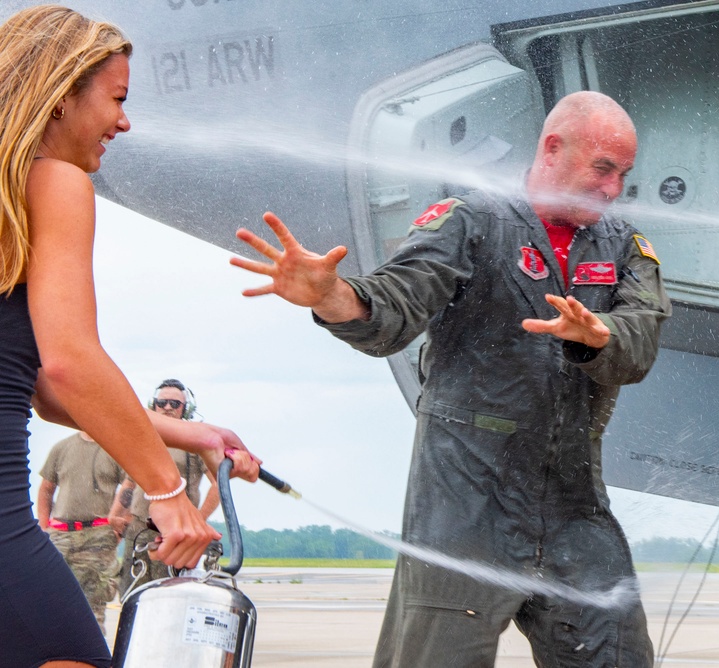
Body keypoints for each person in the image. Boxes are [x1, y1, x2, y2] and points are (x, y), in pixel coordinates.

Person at [233, 90, 670, 667]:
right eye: (603, 168)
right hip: (465, 501)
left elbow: (640, 339)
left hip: (572, 502)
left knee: (618, 653)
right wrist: (334, 297)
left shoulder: (625, 248)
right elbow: (393, 306)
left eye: (624, 173)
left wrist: (601, 337)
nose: (614, 188)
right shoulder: (472, 221)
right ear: (553, 148)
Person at [0, 6, 259, 668]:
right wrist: (168, 495)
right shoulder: (52, 181)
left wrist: (182, 433)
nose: (124, 121)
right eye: (115, 99)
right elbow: (70, 367)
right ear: (59, 97)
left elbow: (35, 386)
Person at [112, 379, 221, 597]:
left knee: (172, 596)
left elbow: (219, 484)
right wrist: (114, 517)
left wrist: (197, 520)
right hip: (139, 532)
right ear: (153, 405)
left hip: (174, 534)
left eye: (174, 403)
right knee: (132, 595)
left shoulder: (193, 441)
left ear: (186, 409)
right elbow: (129, 484)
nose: (167, 408)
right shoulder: (142, 441)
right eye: (162, 403)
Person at [37, 432, 127, 636]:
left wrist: (118, 525)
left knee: (92, 609)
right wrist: (43, 530)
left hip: (98, 536)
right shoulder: (61, 447)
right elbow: (46, 489)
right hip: (59, 536)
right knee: (49, 603)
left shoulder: (116, 451)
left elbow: (130, 487)